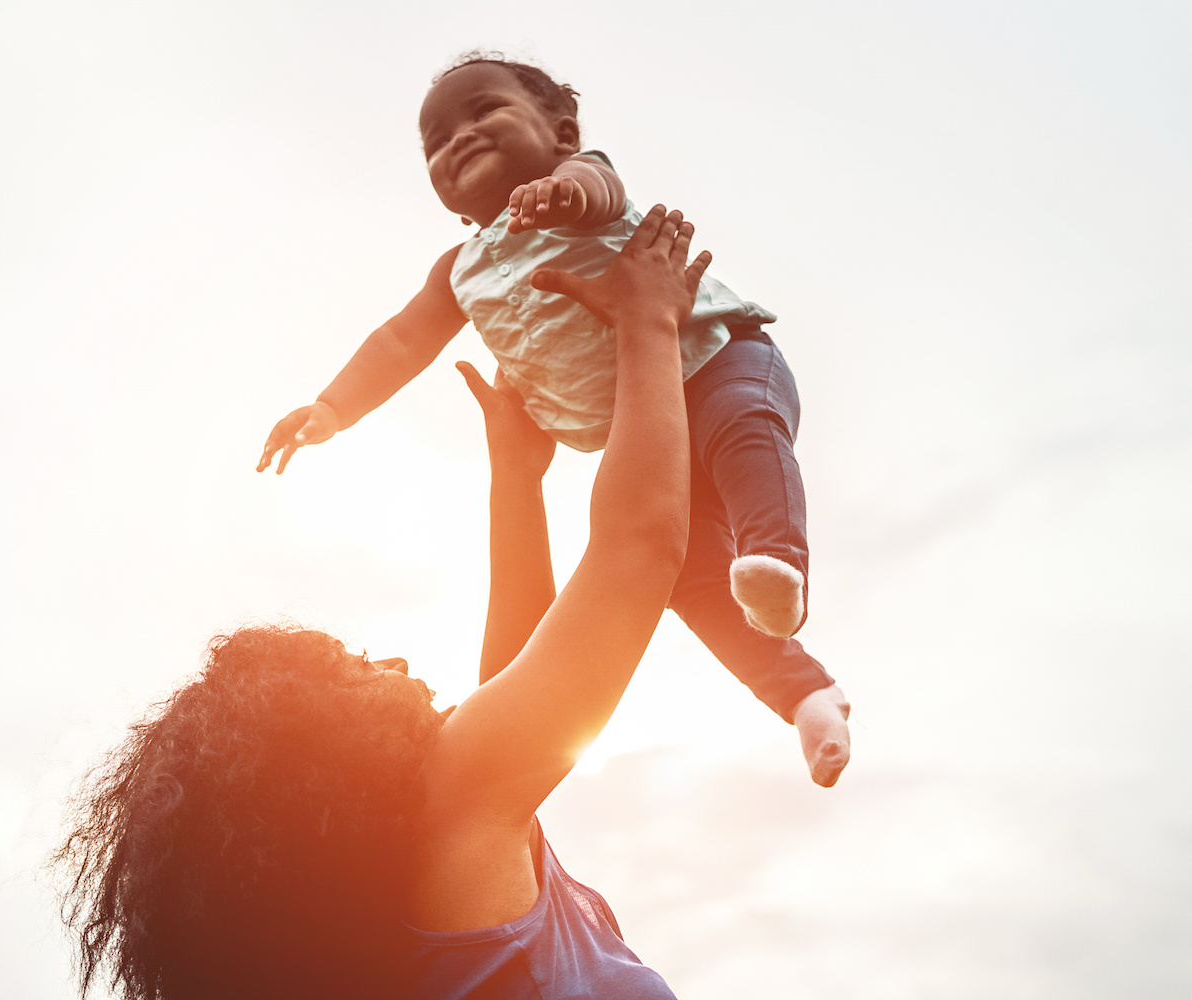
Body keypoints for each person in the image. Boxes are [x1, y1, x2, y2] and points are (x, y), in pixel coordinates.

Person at [58, 207, 702, 998]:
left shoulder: (411, 896)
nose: (389, 661)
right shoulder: (453, 810)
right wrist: (649, 323)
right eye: (350, 671)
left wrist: (517, 478)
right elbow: (639, 546)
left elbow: (525, 677)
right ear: (316, 763)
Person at [256, 53, 850, 786]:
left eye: (483, 112)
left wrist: (560, 199)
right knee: (688, 581)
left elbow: (596, 192)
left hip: (720, 359)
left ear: (562, 131)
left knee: (744, 431)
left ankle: (779, 561)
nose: (459, 137)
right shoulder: (459, 270)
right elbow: (401, 339)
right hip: (648, 432)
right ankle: (806, 694)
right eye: (437, 138)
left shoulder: (581, 178)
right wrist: (332, 407)